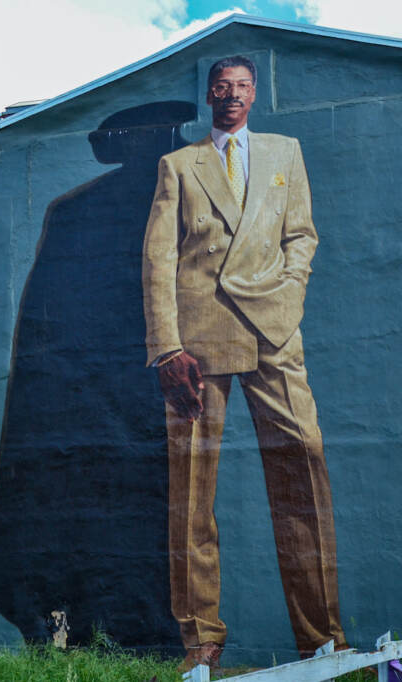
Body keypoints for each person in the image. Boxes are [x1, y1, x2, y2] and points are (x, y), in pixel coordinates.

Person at [142, 55, 345, 670]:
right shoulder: (177, 165)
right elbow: (158, 260)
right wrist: (167, 349)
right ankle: (201, 637)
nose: (230, 95)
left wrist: (286, 296)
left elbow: (302, 236)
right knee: (191, 493)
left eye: (241, 86)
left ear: (254, 94)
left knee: (303, 467)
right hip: (196, 344)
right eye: (221, 87)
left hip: (274, 333)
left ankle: (322, 638)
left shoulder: (286, 152)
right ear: (209, 95)